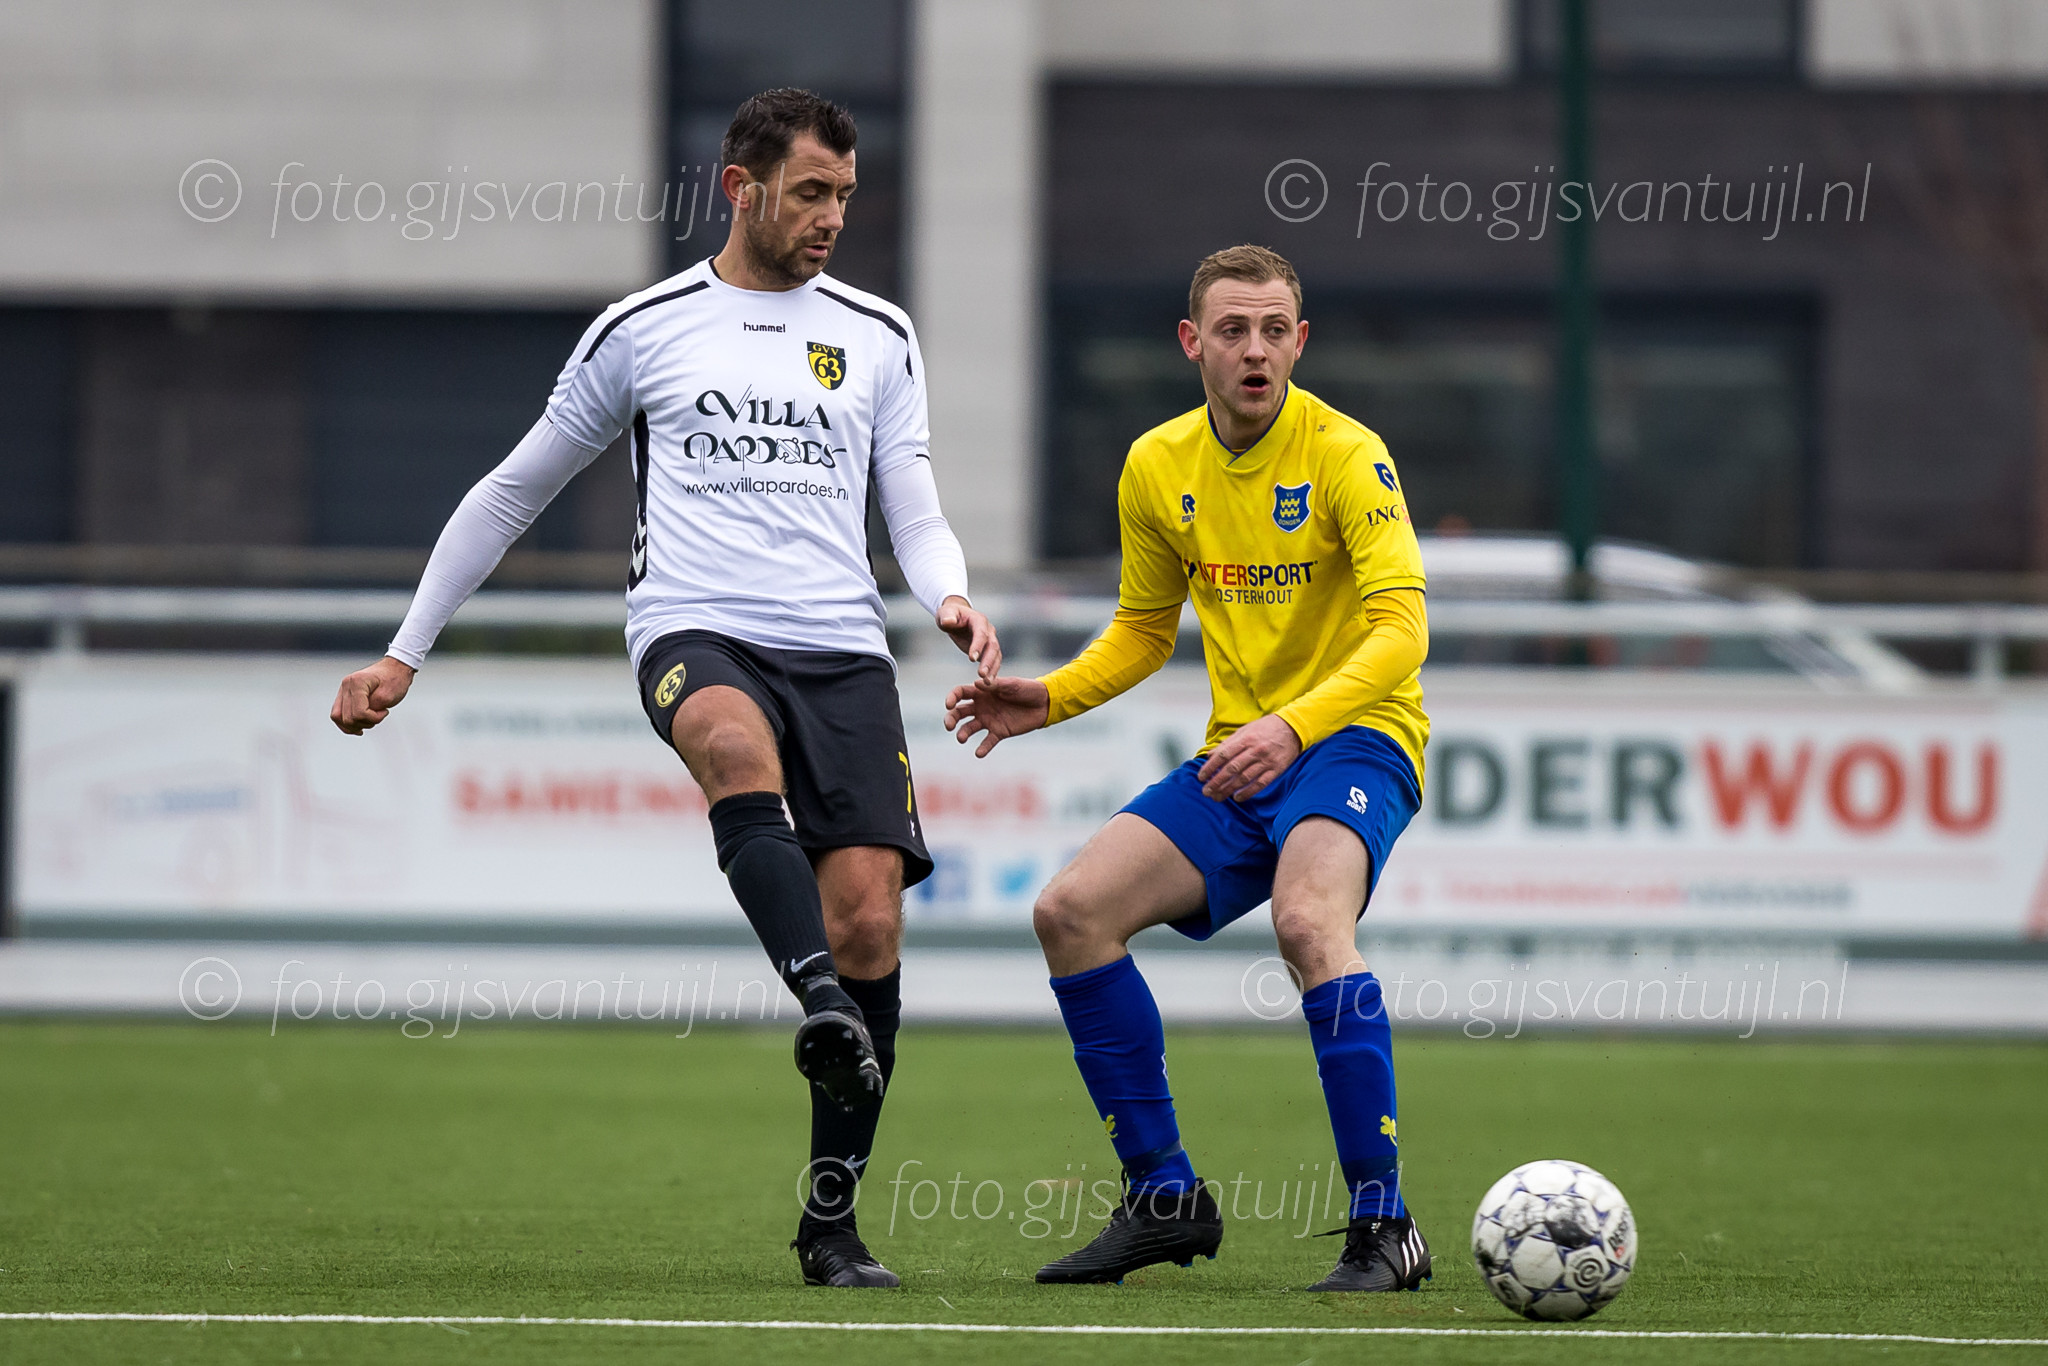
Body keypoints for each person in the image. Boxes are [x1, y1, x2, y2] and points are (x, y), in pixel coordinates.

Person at [330, 88, 999, 1289]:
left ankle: (831, 1225)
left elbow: (911, 497)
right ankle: (816, 1001)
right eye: (810, 192)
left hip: (841, 646)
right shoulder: (642, 328)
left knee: (868, 920)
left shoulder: (877, 332)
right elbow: (512, 489)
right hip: (694, 625)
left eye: (845, 195)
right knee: (734, 756)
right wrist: (403, 649)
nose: (831, 216)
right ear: (740, 188)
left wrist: (948, 595)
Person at [945, 245, 1432, 1292]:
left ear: (1299, 343)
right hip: (1241, 755)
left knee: (1308, 923)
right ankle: (1163, 1196)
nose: (1255, 350)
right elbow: (1141, 628)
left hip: (1355, 737)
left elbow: (1402, 630)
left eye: (1273, 331)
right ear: (1191, 342)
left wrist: (1294, 728)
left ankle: (1383, 1226)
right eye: (1232, 330)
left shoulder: (1348, 456)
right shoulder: (1156, 464)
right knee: (1070, 912)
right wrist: (1049, 697)